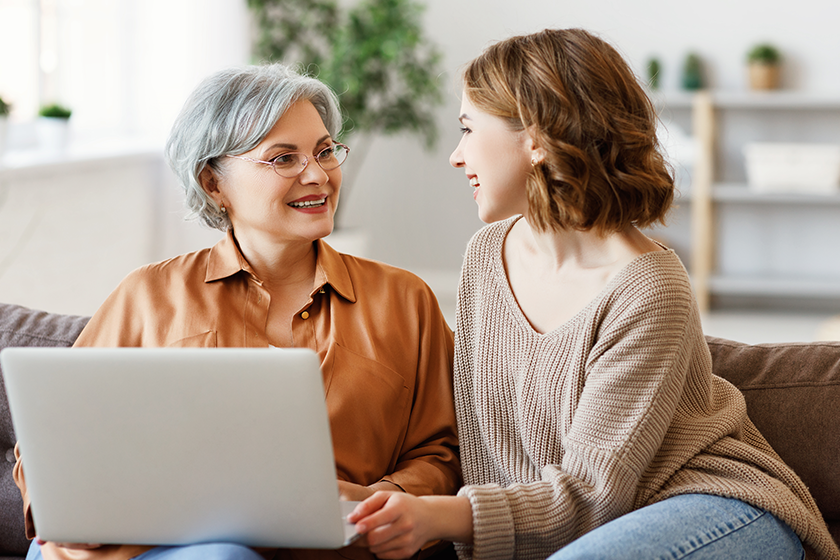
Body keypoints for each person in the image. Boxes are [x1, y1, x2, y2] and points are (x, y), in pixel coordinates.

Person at [347, 28, 840, 560]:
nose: (456, 155)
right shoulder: (485, 257)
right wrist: (388, 498)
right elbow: (484, 447)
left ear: (534, 139)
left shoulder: (649, 288)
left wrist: (438, 517)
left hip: (715, 504)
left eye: (468, 129)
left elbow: (594, 493)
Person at [14, 63, 460, 560]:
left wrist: (385, 499)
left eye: (324, 151)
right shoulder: (147, 295)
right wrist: (66, 519)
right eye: (282, 158)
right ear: (213, 184)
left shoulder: (404, 301)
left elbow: (444, 452)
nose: (317, 174)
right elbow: (51, 442)